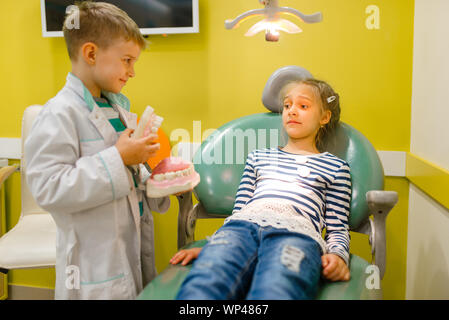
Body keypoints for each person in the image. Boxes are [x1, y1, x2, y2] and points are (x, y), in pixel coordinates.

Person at [25, 1, 170, 299]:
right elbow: (48, 187)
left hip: (126, 248)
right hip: (92, 265)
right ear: (91, 53)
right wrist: (119, 158)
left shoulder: (116, 109)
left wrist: (157, 178)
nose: (132, 72)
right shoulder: (59, 114)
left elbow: (128, 173)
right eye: (127, 60)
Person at [170, 79, 352, 300]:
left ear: (324, 117)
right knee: (206, 282)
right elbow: (239, 212)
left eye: (303, 106)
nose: (292, 111)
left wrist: (338, 255)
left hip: (297, 235)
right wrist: (214, 246)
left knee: (279, 288)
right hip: (240, 229)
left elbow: (337, 227)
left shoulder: (336, 167)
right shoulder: (259, 157)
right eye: (287, 106)